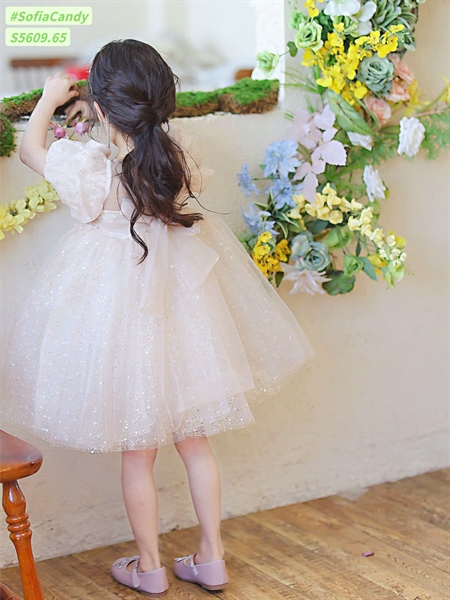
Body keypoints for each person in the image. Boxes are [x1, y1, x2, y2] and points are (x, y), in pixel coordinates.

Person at [5, 39, 313, 595]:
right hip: (186, 308)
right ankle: (212, 558)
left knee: (138, 451)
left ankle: (149, 567)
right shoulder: (179, 156)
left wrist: (50, 99)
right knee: (195, 441)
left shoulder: (90, 167)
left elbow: (31, 151)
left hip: (119, 316)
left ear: (101, 110)